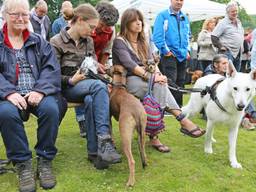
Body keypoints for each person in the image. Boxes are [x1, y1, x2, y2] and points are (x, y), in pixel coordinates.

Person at [112, 8, 205, 153]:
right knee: (159, 86)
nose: (139, 23)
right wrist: (152, 77)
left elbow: (152, 62)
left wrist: (160, 75)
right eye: (134, 20)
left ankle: (158, 131)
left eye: (140, 20)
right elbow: (130, 64)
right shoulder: (120, 41)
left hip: (148, 78)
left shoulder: (143, 41)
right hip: (129, 80)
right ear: (126, 23)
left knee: (161, 86)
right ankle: (176, 123)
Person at [0, 0, 67, 191]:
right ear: (5, 16)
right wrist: (8, 93)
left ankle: (45, 159)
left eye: (24, 14)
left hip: (37, 92)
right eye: (15, 14)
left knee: (51, 108)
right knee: (5, 113)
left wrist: (40, 90)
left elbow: (51, 68)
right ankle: (23, 164)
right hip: (8, 96)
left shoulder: (39, 41)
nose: (21, 18)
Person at [50, 3, 121, 169]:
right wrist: (70, 80)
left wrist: (98, 68)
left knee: (91, 99)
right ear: (79, 20)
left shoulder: (88, 41)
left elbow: (90, 64)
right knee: (97, 87)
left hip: (87, 86)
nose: (93, 32)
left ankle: (94, 153)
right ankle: (105, 140)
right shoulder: (55, 42)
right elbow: (51, 77)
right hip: (65, 88)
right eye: (91, 27)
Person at [74, 1, 119, 138]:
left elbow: (107, 50)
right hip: (79, 63)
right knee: (84, 89)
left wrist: (100, 69)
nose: (103, 28)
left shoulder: (110, 31)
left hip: (97, 61)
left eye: (107, 26)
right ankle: (82, 120)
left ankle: (98, 125)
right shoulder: (84, 27)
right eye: (102, 24)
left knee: (100, 87)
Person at [153, 0, 191, 107]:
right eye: (176, 0)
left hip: (182, 55)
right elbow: (157, 36)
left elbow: (188, 35)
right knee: (170, 81)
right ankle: (168, 107)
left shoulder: (185, 17)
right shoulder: (163, 16)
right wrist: (166, 51)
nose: (179, 2)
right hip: (169, 56)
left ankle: (178, 107)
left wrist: (187, 50)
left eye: (181, 0)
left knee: (181, 81)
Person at [211, 1, 244, 71]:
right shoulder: (223, 22)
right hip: (227, 53)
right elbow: (213, 36)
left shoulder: (238, 22)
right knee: (227, 74)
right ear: (227, 12)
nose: (235, 13)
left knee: (236, 75)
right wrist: (221, 46)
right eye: (232, 11)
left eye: (236, 11)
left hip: (238, 52)